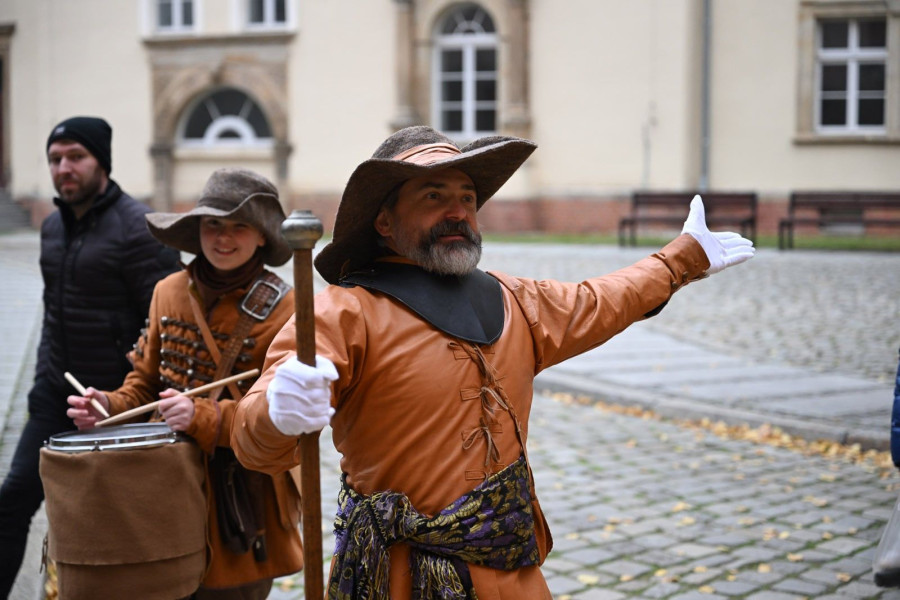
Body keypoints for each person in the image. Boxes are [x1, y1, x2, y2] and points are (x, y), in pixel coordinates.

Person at [231, 125, 756, 599]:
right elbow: (256, 443)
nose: (458, 211)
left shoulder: (515, 299)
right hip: (398, 580)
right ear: (385, 222)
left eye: (466, 197)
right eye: (434, 196)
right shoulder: (343, 312)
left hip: (514, 569)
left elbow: (600, 300)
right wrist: (276, 413)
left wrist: (683, 256)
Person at [66, 167, 304, 599]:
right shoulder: (169, 291)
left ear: (263, 236)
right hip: (164, 484)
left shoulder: (287, 307)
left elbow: (279, 418)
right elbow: (143, 385)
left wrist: (203, 415)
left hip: (243, 499)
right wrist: (107, 406)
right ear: (197, 230)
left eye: (239, 226)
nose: (223, 238)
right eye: (213, 224)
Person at [0, 116, 180, 597]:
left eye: (76, 156)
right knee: (13, 497)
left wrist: (136, 402)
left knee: (112, 525)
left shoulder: (138, 230)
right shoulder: (52, 227)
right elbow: (52, 309)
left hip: (117, 406)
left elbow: (169, 322)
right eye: (55, 159)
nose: (64, 168)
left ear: (102, 162)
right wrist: (44, 377)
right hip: (54, 395)